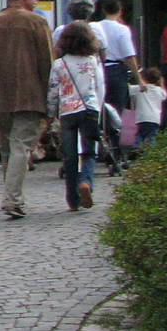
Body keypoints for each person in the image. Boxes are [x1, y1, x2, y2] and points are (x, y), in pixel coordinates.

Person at [0, 0, 54, 220]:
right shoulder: (37, 22)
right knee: (21, 145)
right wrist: (51, 98)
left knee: (7, 147)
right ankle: (12, 199)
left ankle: (10, 193)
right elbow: (47, 63)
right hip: (30, 95)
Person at [48, 23, 105, 211]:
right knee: (89, 151)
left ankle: (72, 200)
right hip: (89, 109)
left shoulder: (59, 64)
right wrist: (98, 108)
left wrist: (51, 113)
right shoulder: (92, 61)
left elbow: (53, 91)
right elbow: (100, 86)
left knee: (70, 156)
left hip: (68, 112)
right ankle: (86, 181)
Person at [95, 0, 144, 174]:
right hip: (116, 71)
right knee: (116, 113)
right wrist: (139, 79)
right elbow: (129, 56)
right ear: (120, 10)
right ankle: (116, 152)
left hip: (98, 69)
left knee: (100, 111)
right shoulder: (122, 30)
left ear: (103, 10)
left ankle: (99, 148)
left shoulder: (95, 27)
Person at [130, 67, 167, 150]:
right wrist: (162, 84)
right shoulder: (160, 90)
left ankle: (135, 148)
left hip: (142, 117)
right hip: (154, 118)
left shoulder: (139, 88)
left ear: (144, 78)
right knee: (152, 136)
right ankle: (151, 150)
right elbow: (165, 96)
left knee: (140, 134)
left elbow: (128, 89)